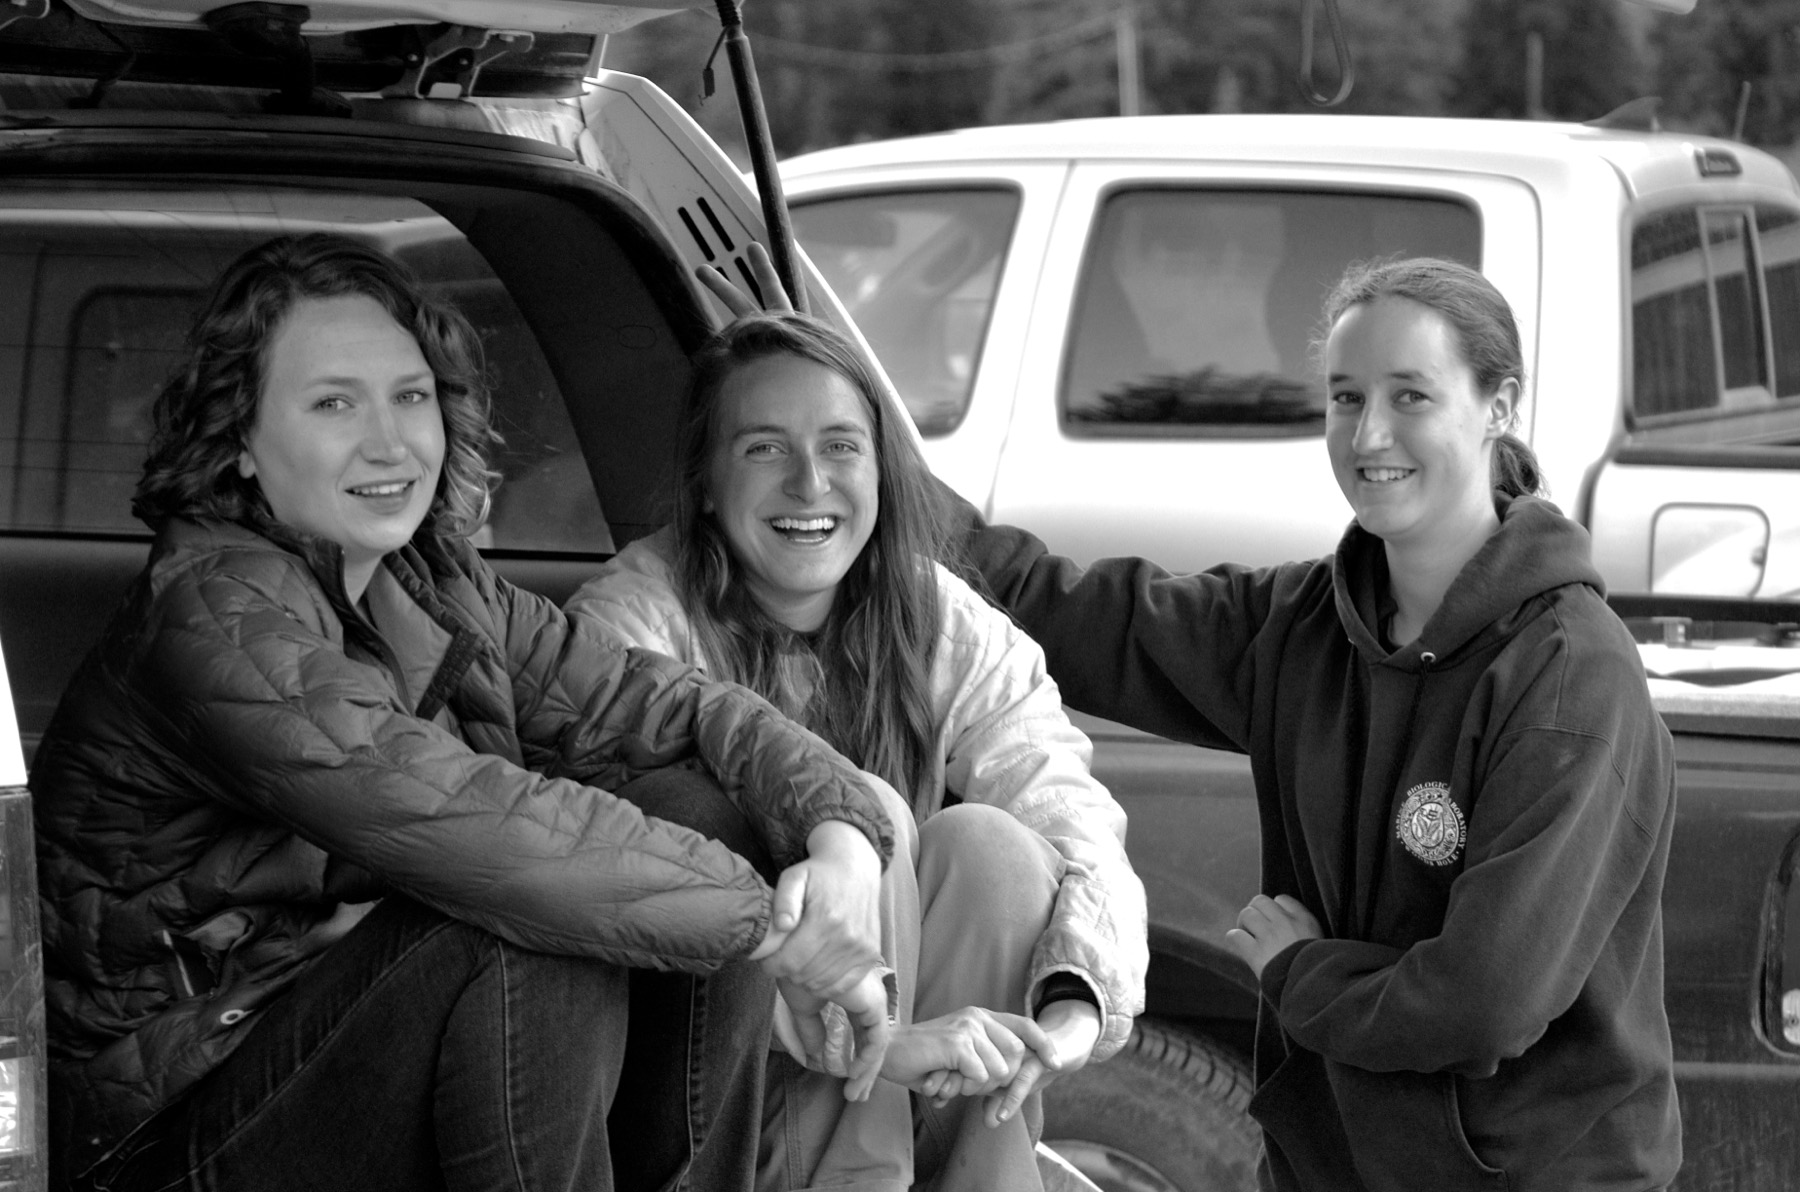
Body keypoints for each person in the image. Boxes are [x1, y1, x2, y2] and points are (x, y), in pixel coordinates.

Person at [30, 232, 901, 1192]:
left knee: (696, 808)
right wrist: (780, 931)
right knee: (522, 918)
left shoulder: (437, 585)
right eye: (333, 403)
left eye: (410, 397)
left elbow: (662, 702)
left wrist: (837, 827)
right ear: (238, 437)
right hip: (171, 1131)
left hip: (326, 1040)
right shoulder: (214, 618)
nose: (390, 441)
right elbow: (473, 823)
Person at [934, 256, 1684, 1191]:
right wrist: (873, 481)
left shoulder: (1570, 681)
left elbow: (1483, 1002)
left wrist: (1301, 972)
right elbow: (1087, 615)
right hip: (1331, 1165)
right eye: (1344, 397)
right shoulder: (1307, 628)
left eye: (1411, 395)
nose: (1370, 434)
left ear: (1499, 405)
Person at [564, 310, 1147, 1192]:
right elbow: (626, 898)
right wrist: (877, 1038)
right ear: (706, 482)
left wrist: (1067, 1015)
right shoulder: (633, 625)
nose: (810, 484)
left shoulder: (930, 612)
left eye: (842, 446)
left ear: (882, 470)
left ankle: (986, 1176)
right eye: (765, 448)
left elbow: (1068, 809)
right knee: (860, 806)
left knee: (990, 847)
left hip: (927, 1087)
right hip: (732, 1085)